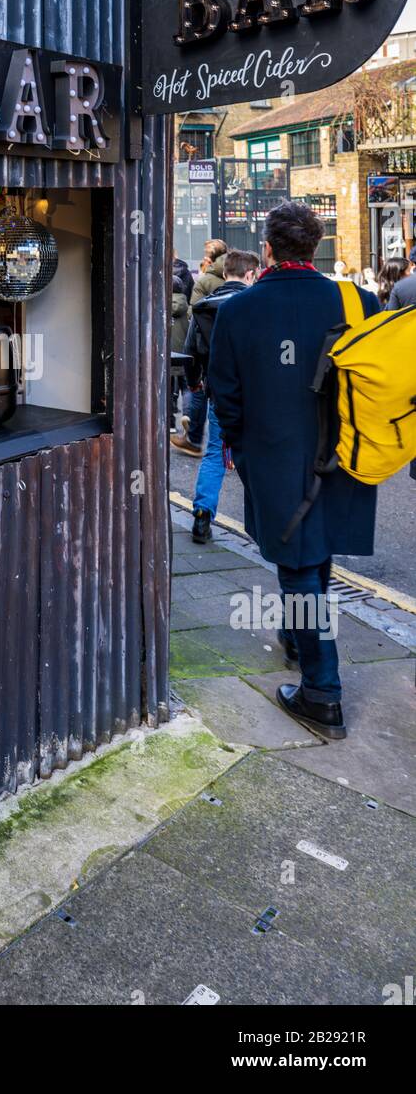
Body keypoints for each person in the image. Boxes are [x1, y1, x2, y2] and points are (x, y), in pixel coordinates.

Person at [207, 201, 380, 740]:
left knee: (300, 567)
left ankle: (321, 692)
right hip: (344, 454)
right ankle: (294, 636)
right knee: (314, 551)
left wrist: (238, 446)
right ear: (316, 245)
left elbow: (224, 394)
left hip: (275, 454)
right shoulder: (360, 302)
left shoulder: (238, 309)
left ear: (268, 248)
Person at [184, 250, 260, 544]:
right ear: (251, 274)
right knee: (256, 456)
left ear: (225, 272)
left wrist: (194, 384)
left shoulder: (204, 307)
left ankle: (202, 516)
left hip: (218, 393)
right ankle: (265, 524)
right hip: (255, 396)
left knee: (215, 453)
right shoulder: (256, 306)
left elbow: (191, 351)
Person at [172, 238, 229, 456]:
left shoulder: (205, 279)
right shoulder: (234, 272)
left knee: (198, 389)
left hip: (206, 345)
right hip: (230, 347)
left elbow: (194, 313)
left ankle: (195, 439)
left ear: (211, 257)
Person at [169, 269, 190, 432]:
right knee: (186, 386)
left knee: (168, 389)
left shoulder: (163, 305)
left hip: (169, 353)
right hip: (184, 351)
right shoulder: (187, 307)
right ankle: (189, 416)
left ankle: (170, 423)